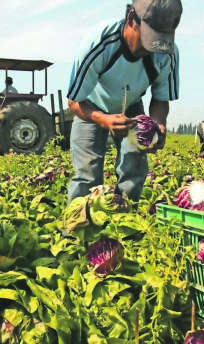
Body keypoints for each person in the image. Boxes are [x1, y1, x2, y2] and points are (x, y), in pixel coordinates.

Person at [66, 0, 182, 203]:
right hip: (90, 108)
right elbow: (74, 101)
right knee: (87, 175)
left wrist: (158, 123)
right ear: (131, 18)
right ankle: (78, 231)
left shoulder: (167, 54)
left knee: (134, 169)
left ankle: (125, 223)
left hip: (132, 108)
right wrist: (104, 119)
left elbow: (160, 98)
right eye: (149, 38)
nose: (153, 48)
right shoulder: (100, 43)